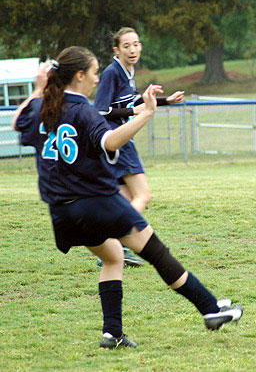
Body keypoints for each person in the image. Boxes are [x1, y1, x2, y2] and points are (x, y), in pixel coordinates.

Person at [12, 46, 243, 349]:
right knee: (158, 253)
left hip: (62, 213)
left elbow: (18, 122)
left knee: (113, 257)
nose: (97, 80)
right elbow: (110, 140)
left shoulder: (43, 108)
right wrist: (146, 113)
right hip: (98, 202)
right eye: (94, 73)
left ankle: (113, 333)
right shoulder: (83, 110)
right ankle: (211, 309)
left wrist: (37, 89)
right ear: (79, 75)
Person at [94, 27, 184, 267]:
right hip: (117, 140)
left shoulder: (128, 71)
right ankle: (119, 244)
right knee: (143, 195)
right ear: (116, 49)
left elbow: (132, 101)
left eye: (136, 44)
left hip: (119, 141)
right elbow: (101, 110)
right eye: (126, 46)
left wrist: (166, 100)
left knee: (124, 200)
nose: (132, 49)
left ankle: (111, 249)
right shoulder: (112, 73)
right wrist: (134, 111)